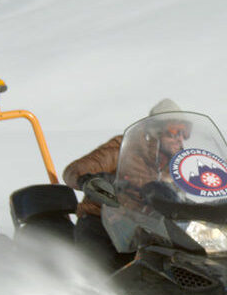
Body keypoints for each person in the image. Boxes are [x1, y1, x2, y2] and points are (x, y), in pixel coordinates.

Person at [63, 99, 186, 270]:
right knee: (103, 274)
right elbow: (75, 169)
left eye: (184, 132)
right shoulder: (125, 147)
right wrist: (89, 180)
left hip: (147, 232)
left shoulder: (181, 162)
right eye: (174, 132)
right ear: (156, 131)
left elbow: (198, 186)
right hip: (102, 223)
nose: (180, 139)